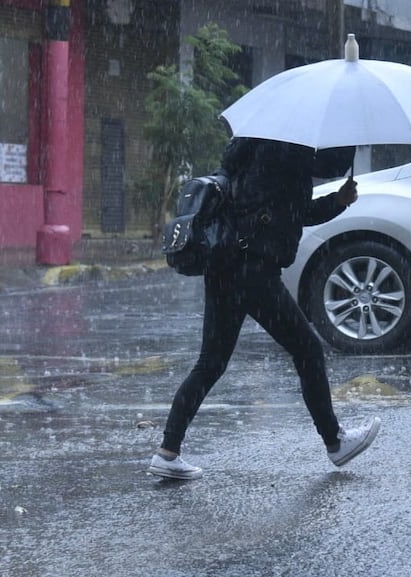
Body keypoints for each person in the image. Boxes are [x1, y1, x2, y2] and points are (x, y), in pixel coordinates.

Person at [149, 137, 381, 480]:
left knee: (210, 363)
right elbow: (298, 211)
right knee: (308, 350)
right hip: (255, 271)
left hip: (223, 263)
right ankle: (335, 442)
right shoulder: (290, 150)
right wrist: (340, 200)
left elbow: (268, 205)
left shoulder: (249, 144)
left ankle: (168, 452)